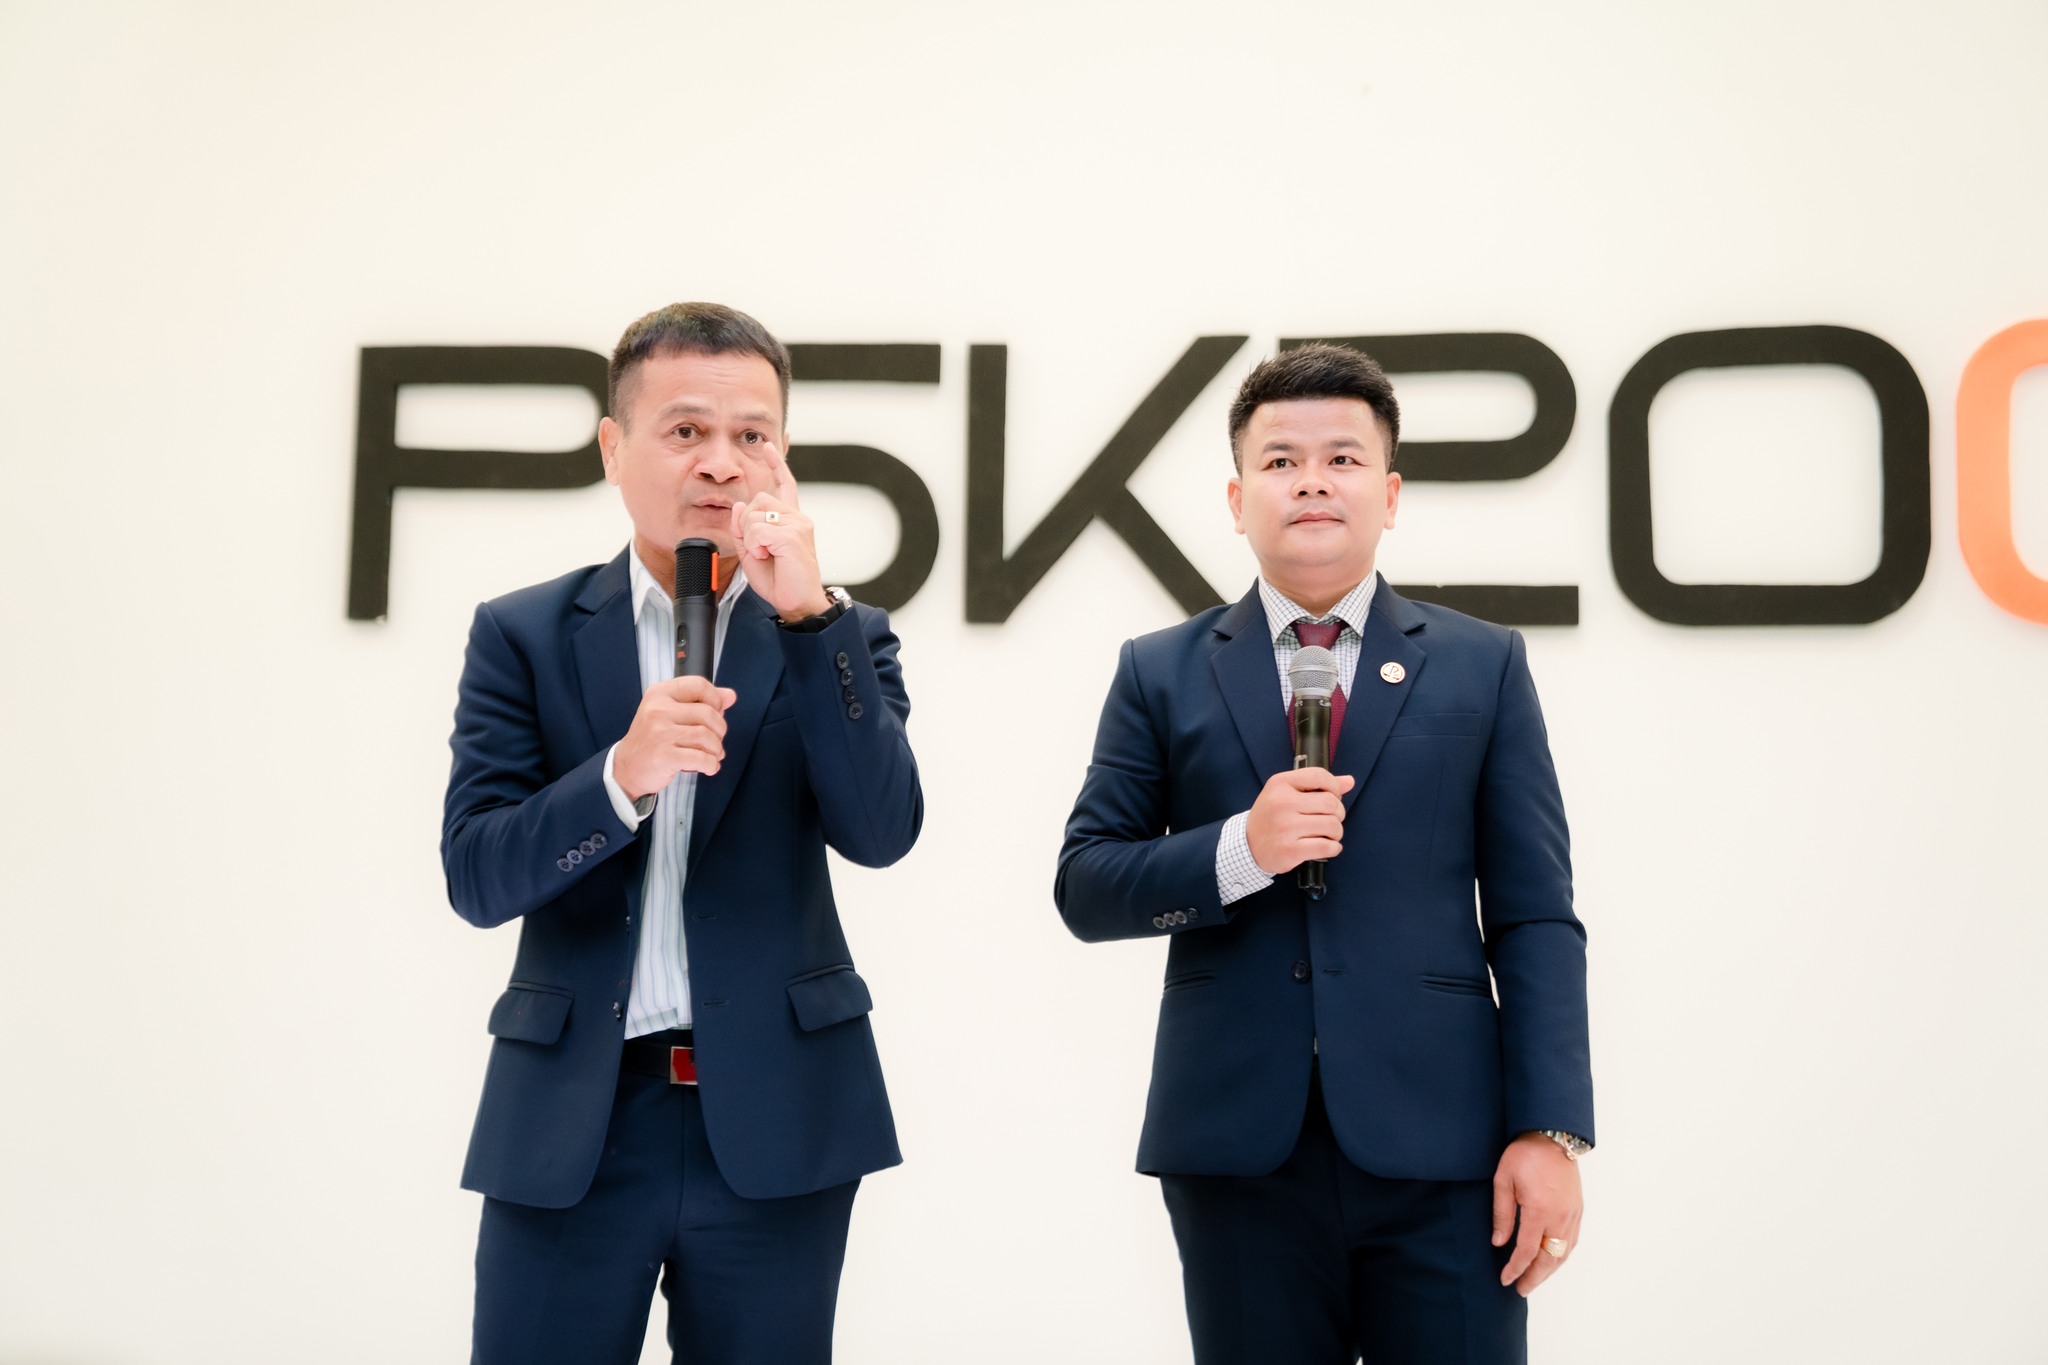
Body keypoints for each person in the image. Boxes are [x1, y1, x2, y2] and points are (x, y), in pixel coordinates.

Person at [1055, 343, 1593, 1364]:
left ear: (1388, 494)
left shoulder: (1481, 664)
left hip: (1446, 1149)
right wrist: (1239, 850)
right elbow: (1087, 884)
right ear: (1236, 499)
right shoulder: (1160, 672)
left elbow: (1534, 914)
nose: (1311, 481)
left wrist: (1550, 1128)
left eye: (1342, 458)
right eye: (1280, 461)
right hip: (1237, 1151)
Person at [442, 302, 922, 1364]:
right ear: (614, 447)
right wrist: (619, 777)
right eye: (686, 430)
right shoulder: (522, 633)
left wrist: (808, 620)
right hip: (572, 1120)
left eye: (752, 435)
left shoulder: (839, 635)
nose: (721, 463)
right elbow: (476, 875)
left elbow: (882, 831)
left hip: (777, 1118)